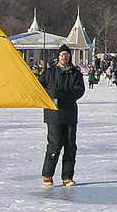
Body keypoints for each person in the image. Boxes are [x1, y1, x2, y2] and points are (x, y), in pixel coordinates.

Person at [39, 44, 85, 187]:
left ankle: (67, 177)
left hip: (69, 113)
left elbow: (79, 91)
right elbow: (39, 88)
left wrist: (63, 94)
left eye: (66, 54)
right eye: (62, 54)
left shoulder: (75, 73)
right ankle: (47, 174)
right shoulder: (49, 73)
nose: (64, 57)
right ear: (58, 57)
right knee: (55, 144)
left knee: (70, 146)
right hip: (53, 114)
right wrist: (51, 94)